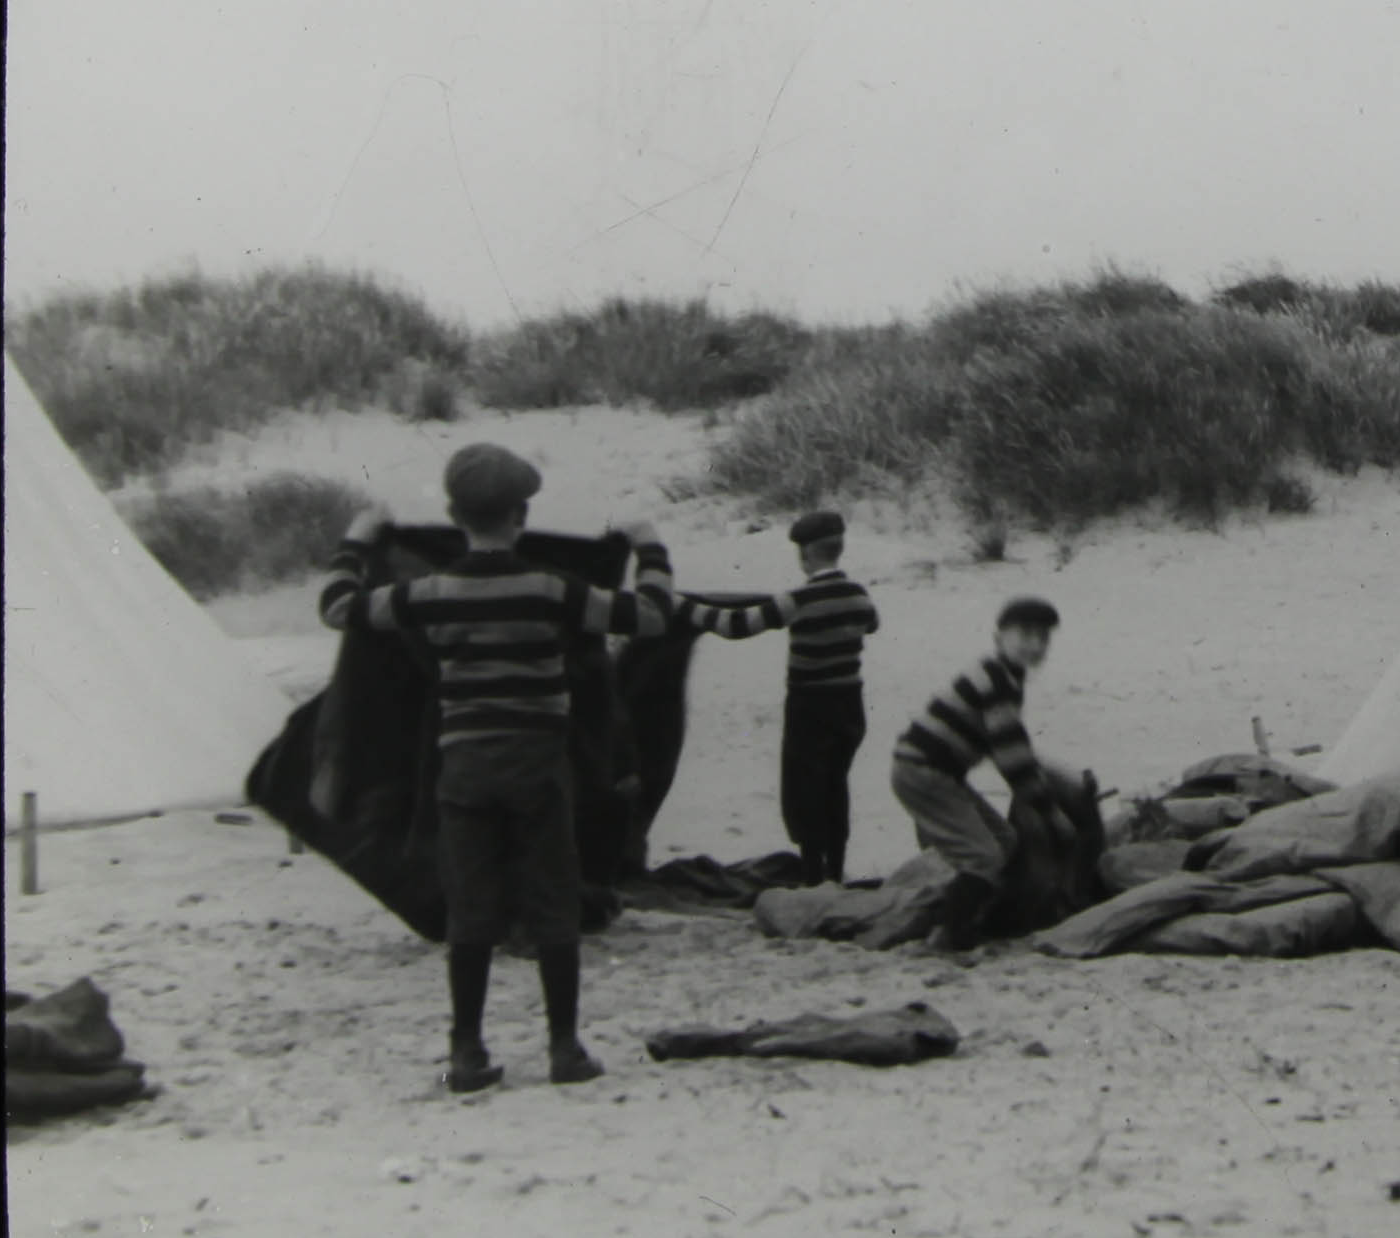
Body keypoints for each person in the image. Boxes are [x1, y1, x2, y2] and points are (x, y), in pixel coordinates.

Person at [318, 444, 676, 1094]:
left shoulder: (429, 591)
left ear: (454, 514)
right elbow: (649, 615)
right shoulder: (550, 587)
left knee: (471, 910)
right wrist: (648, 545)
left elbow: (341, 609)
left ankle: (466, 1052)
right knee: (553, 901)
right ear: (522, 514)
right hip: (539, 767)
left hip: (463, 772)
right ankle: (564, 1048)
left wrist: (357, 538)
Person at [681, 510, 881, 883]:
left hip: (809, 706)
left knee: (804, 790)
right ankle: (834, 873)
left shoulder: (798, 600)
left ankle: (810, 874)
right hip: (850, 704)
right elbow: (872, 623)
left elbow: (736, 627)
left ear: (804, 553)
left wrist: (688, 609)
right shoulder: (858, 595)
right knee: (835, 787)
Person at [889, 596, 1073, 952]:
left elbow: (1010, 748)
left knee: (1003, 840)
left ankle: (969, 919)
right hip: (923, 772)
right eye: (1025, 635)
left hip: (936, 772)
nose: (1035, 645)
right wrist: (1051, 812)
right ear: (999, 636)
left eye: (1043, 638)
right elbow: (1012, 757)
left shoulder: (1004, 676)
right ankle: (945, 937)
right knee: (984, 857)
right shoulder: (997, 681)